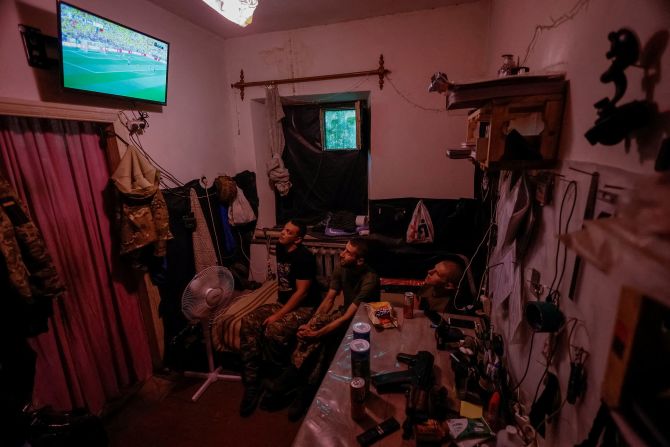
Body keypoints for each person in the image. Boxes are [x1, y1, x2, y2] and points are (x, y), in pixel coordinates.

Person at [265, 238, 380, 421]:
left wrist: (319, 333)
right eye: (344, 249)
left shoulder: (370, 279)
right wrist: (311, 324)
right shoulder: (342, 266)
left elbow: (348, 316)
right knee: (313, 330)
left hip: (365, 322)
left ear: (360, 260)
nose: (342, 254)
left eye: (348, 252)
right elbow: (329, 300)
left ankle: (304, 388)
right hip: (346, 314)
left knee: (325, 340)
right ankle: (295, 375)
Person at [238, 220, 321, 417]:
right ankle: (252, 383)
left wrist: (278, 315)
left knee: (273, 330)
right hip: (282, 302)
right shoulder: (280, 247)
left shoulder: (304, 257)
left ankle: (280, 382)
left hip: (304, 307)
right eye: (283, 229)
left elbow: (301, 293)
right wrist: (277, 310)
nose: (282, 233)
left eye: (288, 232)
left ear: (298, 239)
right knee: (248, 322)